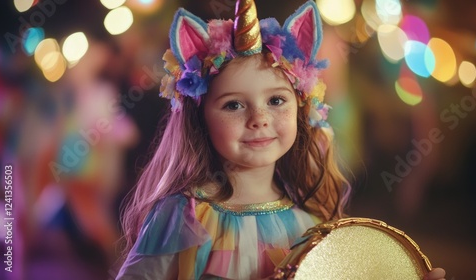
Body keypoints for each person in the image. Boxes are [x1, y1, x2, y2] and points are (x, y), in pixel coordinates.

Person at [116, 1, 446, 279]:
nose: (259, 118)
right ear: (199, 119)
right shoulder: (186, 217)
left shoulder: (312, 224)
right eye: (233, 104)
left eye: (276, 100)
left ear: (302, 109)